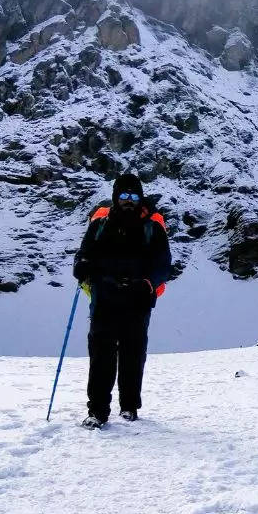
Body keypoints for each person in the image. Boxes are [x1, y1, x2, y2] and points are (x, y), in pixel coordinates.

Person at [73, 173, 171, 428]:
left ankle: (129, 407)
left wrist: (148, 283)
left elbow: (163, 264)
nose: (129, 201)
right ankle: (97, 411)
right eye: (124, 196)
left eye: (134, 196)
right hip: (104, 296)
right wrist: (82, 265)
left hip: (138, 298)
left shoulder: (153, 226)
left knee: (133, 354)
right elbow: (85, 252)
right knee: (101, 354)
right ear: (116, 196)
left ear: (140, 197)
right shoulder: (100, 223)